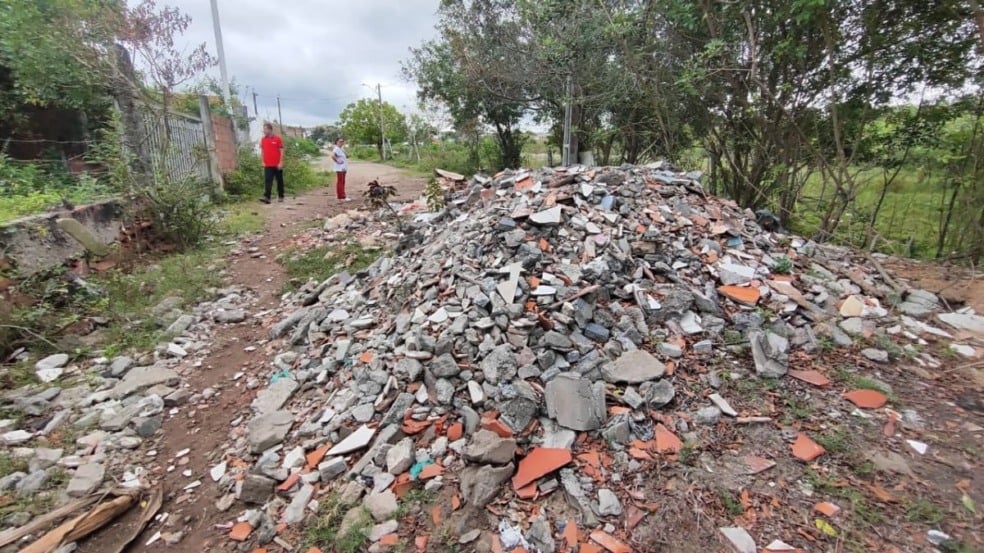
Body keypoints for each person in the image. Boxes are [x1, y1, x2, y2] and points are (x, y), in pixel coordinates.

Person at [260, 122, 285, 203]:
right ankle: (267, 197)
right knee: (268, 180)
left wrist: (281, 162)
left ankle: (281, 196)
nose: (264, 131)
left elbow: (281, 151)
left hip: (277, 164)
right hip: (268, 164)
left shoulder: (277, 139)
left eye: (265, 129)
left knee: (279, 180)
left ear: (270, 129)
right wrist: (262, 161)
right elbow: (262, 151)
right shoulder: (263, 139)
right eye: (263, 129)